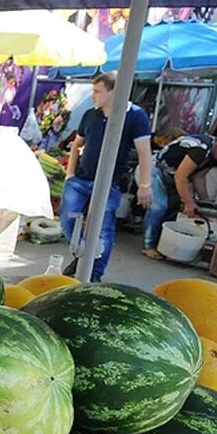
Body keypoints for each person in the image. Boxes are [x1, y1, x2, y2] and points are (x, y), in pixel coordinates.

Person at [60, 72, 153, 282]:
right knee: (67, 219)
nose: (93, 95)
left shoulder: (135, 115)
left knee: (104, 228)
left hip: (110, 182)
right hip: (80, 179)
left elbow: (144, 151)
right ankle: (83, 253)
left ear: (114, 92)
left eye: (97, 91)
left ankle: (94, 273)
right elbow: (77, 145)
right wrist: (70, 174)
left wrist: (145, 184)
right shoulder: (91, 114)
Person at [141, 131, 217, 259]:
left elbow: (199, 177)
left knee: (172, 206)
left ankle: (161, 243)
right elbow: (181, 177)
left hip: (169, 175)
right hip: (154, 170)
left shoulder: (211, 154)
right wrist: (188, 202)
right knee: (159, 206)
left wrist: (205, 201)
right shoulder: (201, 150)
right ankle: (148, 246)